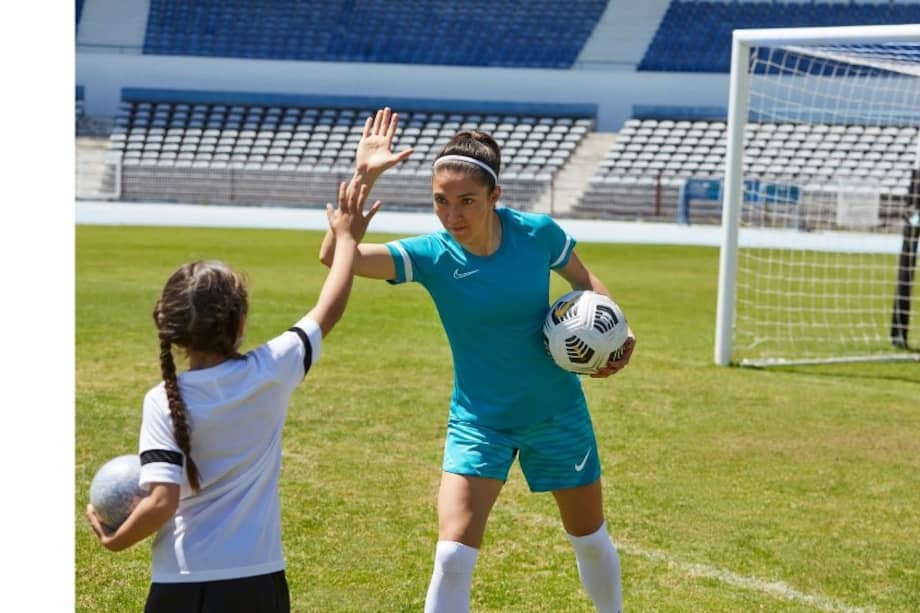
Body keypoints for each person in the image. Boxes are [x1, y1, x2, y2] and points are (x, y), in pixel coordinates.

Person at [319, 108, 636, 613]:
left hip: (556, 413)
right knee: (451, 556)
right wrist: (364, 176)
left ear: (495, 196)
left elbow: (585, 282)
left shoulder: (537, 234)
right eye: (441, 202)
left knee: (590, 540)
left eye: (466, 201)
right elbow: (339, 257)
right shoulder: (433, 254)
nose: (453, 216)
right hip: (479, 422)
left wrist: (619, 332)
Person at [85, 178, 381, 613]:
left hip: (181, 581)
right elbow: (329, 308)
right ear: (240, 324)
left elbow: (162, 502)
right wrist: (348, 238)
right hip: (257, 580)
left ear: (171, 329)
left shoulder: (163, 399)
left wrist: (116, 540)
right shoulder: (271, 370)